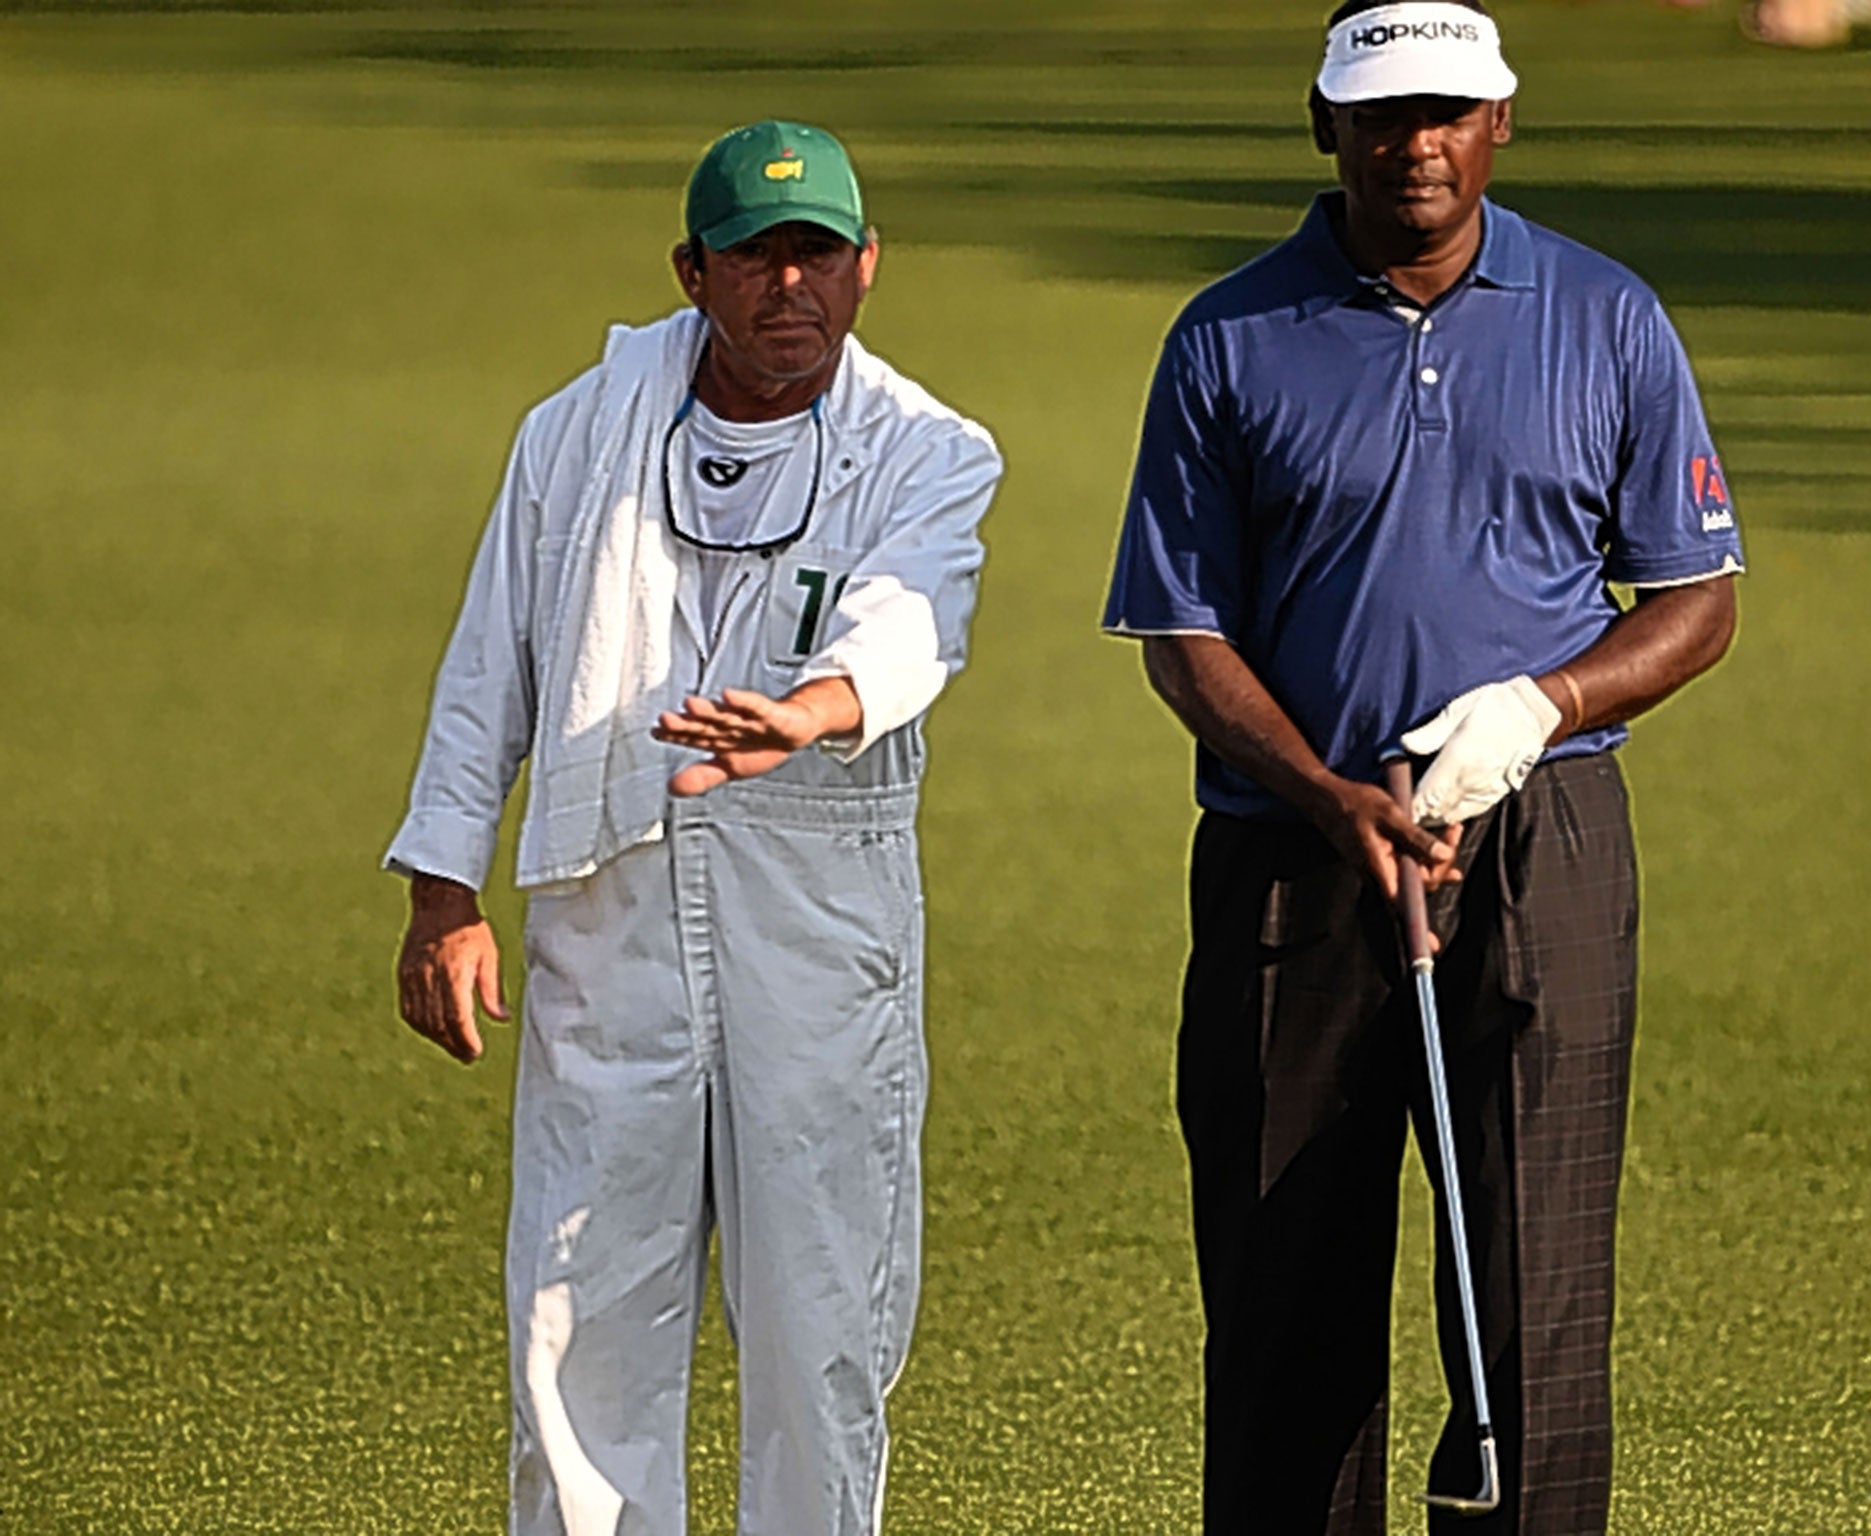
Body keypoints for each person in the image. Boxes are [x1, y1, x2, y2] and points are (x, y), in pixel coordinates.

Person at [1102, 4, 1742, 1533]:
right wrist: (1334, 802)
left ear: (1501, 119)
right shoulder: (1228, 336)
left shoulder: (1605, 317)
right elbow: (1181, 631)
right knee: (1284, 1302)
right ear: (1324, 125)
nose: (1419, 143)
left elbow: (1698, 599)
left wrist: (1544, 702)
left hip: (1546, 838)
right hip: (1293, 858)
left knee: (1534, 1304)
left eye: (1450, 110)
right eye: (1385, 115)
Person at [384, 119, 1002, 1536]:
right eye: (755, 255)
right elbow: (495, 665)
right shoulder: (576, 431)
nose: (789, 285)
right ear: (693, 270)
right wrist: (443, 890)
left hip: (819, 909)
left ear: (867, 268)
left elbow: (920, 611)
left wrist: (822, 706)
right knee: (576, 1317)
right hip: (612, 908)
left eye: (818, 253)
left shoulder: (931, 448)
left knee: (819, 1326)